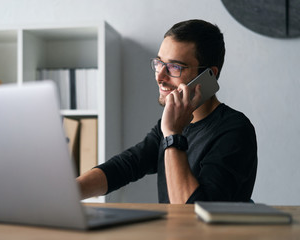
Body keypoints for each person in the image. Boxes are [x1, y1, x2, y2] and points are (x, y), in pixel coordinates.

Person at [76, 19, 257, 204]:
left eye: (174, 67)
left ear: (209, 74)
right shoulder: (172, 124)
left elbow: (192, 214)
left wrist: (172, 135)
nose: (160, 76)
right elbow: (124, 167)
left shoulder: (235, 130)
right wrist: (66, 193)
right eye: (159, 63)